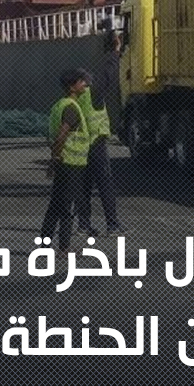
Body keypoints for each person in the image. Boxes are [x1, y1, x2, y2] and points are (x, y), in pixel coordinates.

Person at [76, 30, 128, 236]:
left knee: (85, 185)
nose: (90, 80)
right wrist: (115, 53)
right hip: (96, 141)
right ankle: (112, 224)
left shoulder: (74, 98)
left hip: (81, 145)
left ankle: (83, 224)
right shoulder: (92, 95)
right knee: (105, 183)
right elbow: (107, 77)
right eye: (86, 79)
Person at [42, 68, 91, 255]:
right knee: (66, 208)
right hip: (71, 164)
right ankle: (64, 247)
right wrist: (55, 157)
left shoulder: (59, 105)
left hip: (63, 162)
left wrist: (54, 160)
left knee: (55, 205)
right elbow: (62, 135)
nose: (85, 84)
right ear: (72, 87)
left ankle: (45, 245)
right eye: (81, 81)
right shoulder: (71, 108)